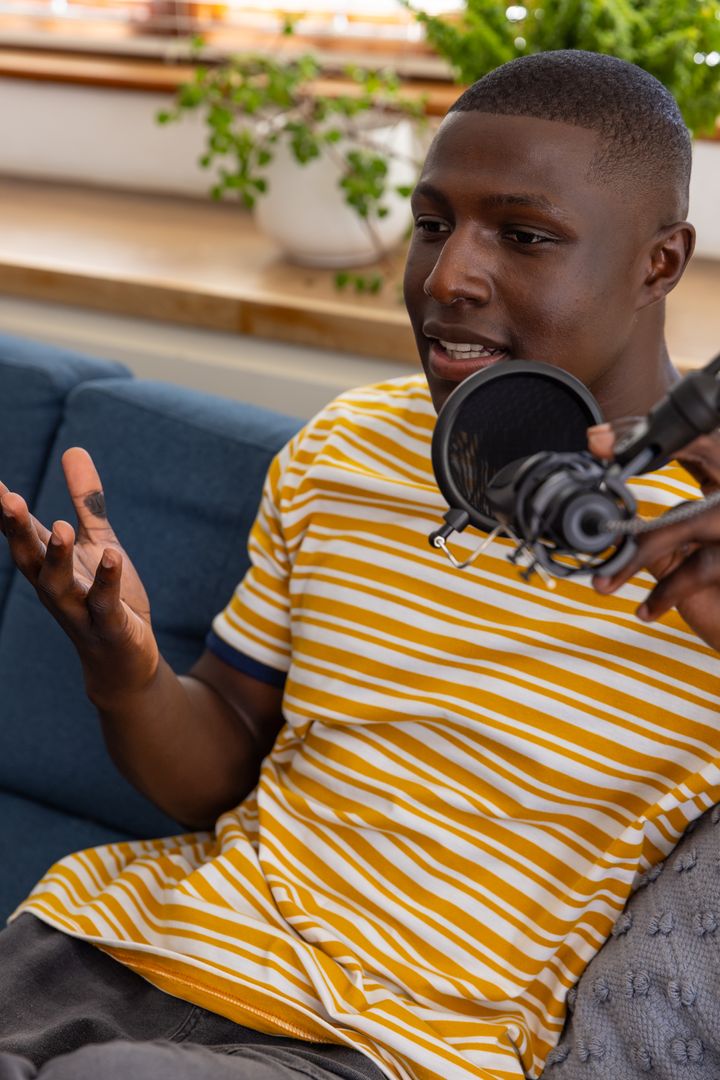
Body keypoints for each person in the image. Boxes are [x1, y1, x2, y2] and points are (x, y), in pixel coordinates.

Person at [0, 48, 718, 1080]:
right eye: (433, 225)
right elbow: (223, 760)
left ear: (661, 260)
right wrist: (127, 674)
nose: (448, 277)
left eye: (522, 236)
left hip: (391, 1047)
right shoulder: (349, 445)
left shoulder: (709, 530)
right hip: (116, 946)